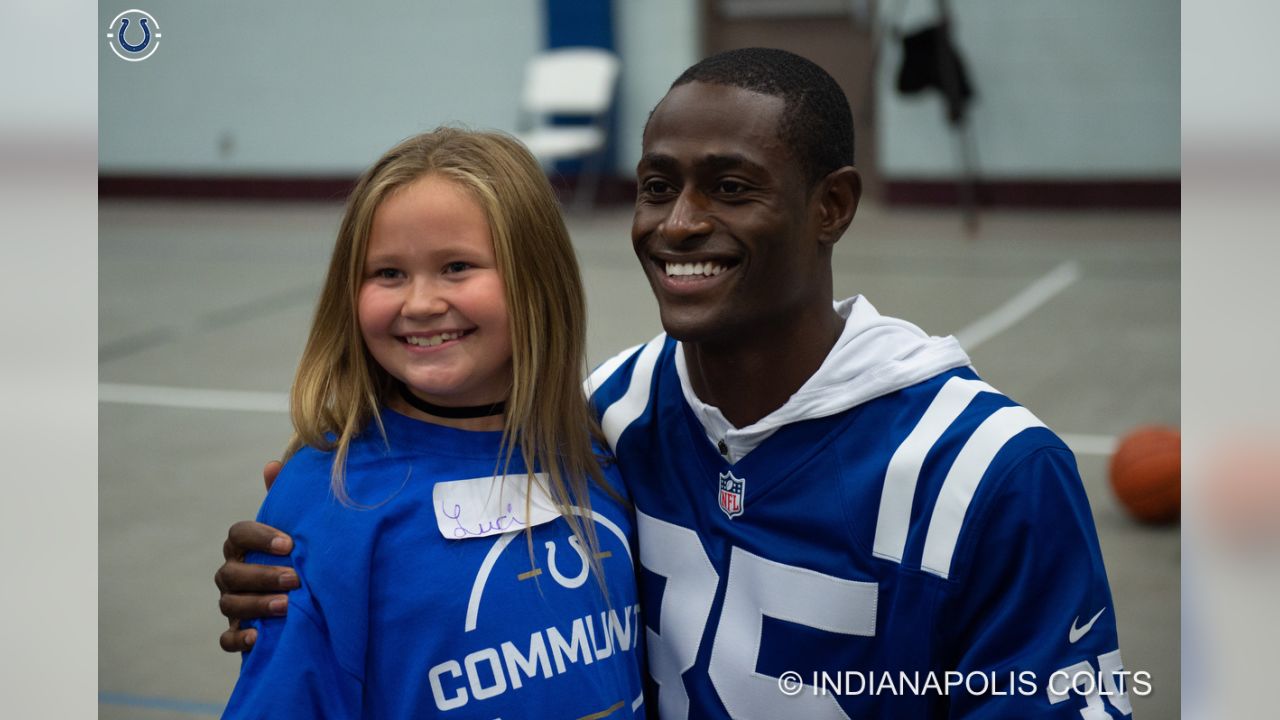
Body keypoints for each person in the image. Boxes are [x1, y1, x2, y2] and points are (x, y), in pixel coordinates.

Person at [217, 49, 1131, 718]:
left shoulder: (989, 472)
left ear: (833, 206)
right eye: (657, 188)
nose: (679, 224)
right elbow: (428, 504)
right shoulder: (608, 415)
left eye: (731, 188)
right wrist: (311, 554)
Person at [218, 128, 645, 719]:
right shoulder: (329, 498)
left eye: (456, 267)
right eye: (388, 274)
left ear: (537, 278)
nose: (419, 302)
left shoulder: (604, 454)